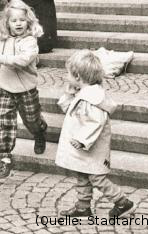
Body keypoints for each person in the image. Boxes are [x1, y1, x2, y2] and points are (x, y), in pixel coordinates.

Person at [56, 50, 135, 218]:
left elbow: (96, 121)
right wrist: (69, 92)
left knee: (96, 177)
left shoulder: (91, 99)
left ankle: (122, 202)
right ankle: (83, 207)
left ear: (77, 76)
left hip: (90, 148)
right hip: (85, 150)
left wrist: (82, 140)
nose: (66, 77)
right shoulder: (85, 93)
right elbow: (67, 108)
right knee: (82, 174)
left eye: (68, 74)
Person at [0, 0, 47, 178]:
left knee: (31, 120)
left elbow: (22, 60)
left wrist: (0, 58)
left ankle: (39, 132)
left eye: (22, 20)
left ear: (29, 21)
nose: (18, 23)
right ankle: (5, 158)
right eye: (14, 20)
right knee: (3, 122)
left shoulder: (30, 42)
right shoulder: (3, 37)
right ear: (7, 22)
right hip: (6, 88)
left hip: (26, 89)